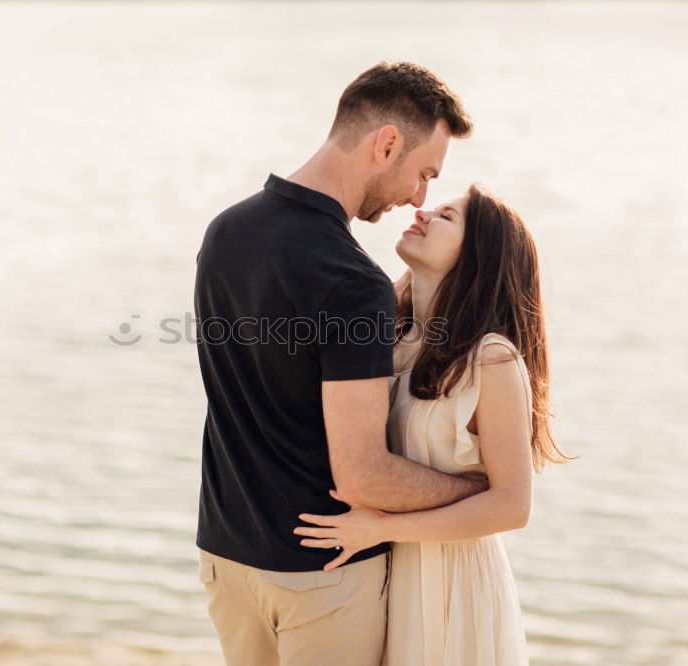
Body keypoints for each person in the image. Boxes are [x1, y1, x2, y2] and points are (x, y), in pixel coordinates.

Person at [193, 62, 477, 665]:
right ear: (387, 143)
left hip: (224, 558)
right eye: (424, 173)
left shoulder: (226, 232)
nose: (418, 197)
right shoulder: (352, 283)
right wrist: (473, 489)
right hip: (320, 578)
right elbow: (363, 477)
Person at [295, 186, 573, 665]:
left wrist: (383, 528)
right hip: (382, 572)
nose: (422, 212)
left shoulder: (492, 358)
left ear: (476, 257)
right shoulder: (396, 340)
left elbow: (512, 506)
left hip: (451, 581)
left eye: (446, 216)